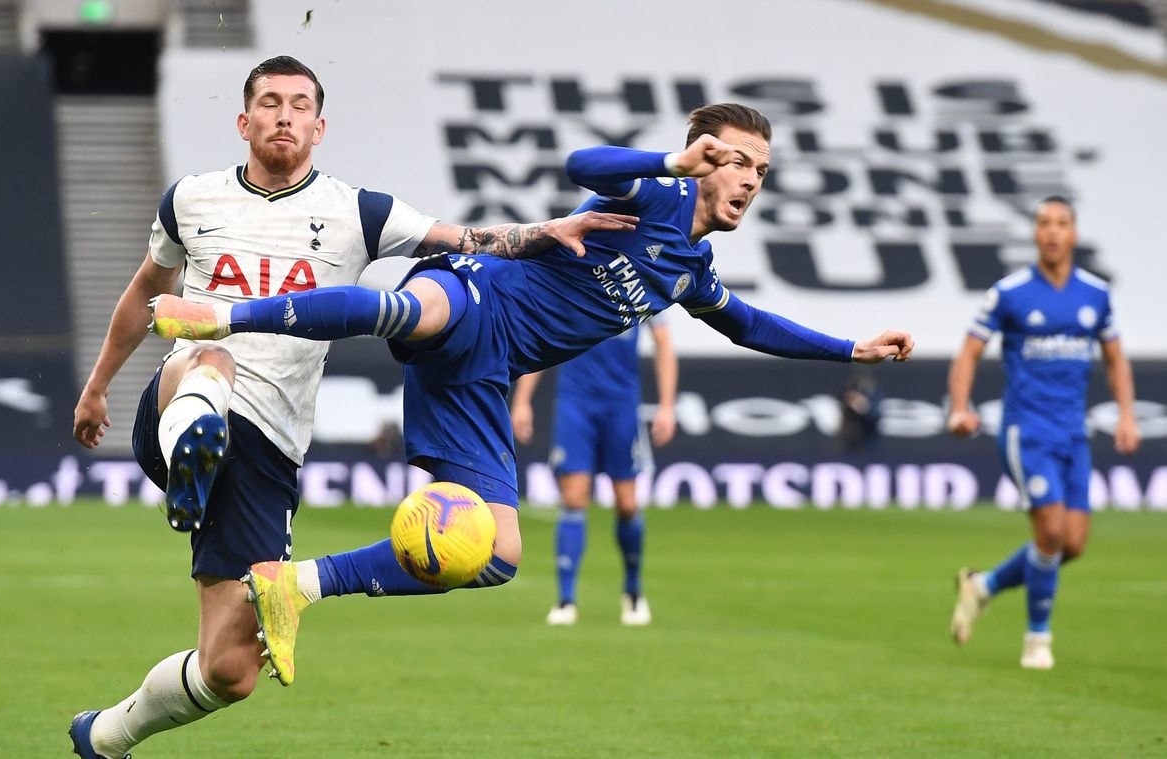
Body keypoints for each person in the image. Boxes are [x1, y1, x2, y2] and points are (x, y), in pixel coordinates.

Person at [150, 102, 914, 687]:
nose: (749, 177)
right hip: (478, 295)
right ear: (704, 159)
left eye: (760, 169)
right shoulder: (655, 197)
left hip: (485, 375)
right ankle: (221, 315)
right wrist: (671, 161)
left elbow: (749, 324)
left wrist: (850, 348)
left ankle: (295, 584)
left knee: (499, 554)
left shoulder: (691, 270)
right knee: (411, 310)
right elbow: (584, 160)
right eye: (737, 160)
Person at [66, 55, 633, 759]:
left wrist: (543, 230)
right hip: (184, 396)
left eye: (299, 105)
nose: (283, 115)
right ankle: (191, 461)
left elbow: (468, 240)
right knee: (210, 355)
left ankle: (107, 734)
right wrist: (98, 387)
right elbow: (143, 291)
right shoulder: (191, 198)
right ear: (243, 122)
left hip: (267, 451)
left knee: (229, 669)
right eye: (269, 102)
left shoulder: (356, 212)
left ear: (319, 126)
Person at [946, 196, 1139, 670]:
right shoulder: (1009, 292)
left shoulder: (1096, 294)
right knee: (1050, 531)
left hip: (1073, 433)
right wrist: (959, 408)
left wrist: (1127, 414)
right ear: (1035, 234)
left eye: (1061, 224)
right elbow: (969, 352)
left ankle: (983, 586)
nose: (1052, 232)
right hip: (1026, 431)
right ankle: (1037, 641)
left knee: (1071, 544)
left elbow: (1115, 358)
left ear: (1073, 234)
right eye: (1044, 224)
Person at [509, 312, 678, 626]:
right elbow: (545, 340)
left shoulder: (639, 281)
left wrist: (667, 406)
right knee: (574, 500)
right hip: (576, 405)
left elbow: (664, 343)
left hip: (622, 406)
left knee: (627, 503)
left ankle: (632, 590)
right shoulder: (572, 281)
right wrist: (522, 401)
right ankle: (565, 600)